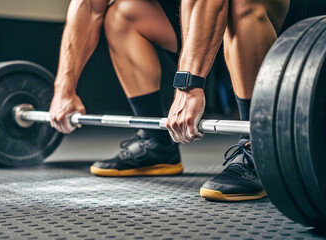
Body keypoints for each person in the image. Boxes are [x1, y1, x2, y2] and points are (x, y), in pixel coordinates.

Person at [48, 0, 324, 201]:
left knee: (240, 4)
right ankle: (156, 145)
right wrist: (64, 88)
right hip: (202, 16)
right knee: (123, 13)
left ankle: (260, 148)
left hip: (294, 14)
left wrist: (188, 86)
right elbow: (87, 5)